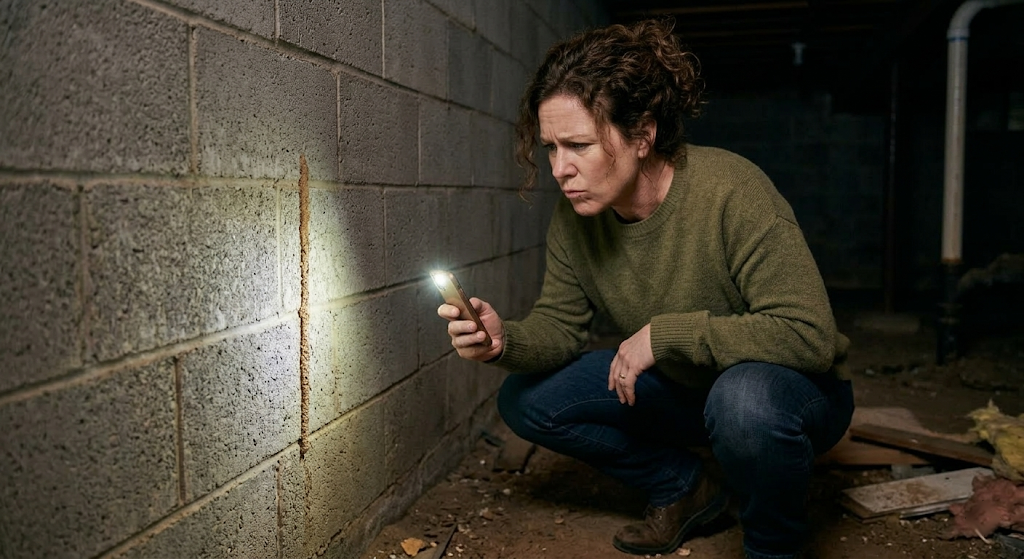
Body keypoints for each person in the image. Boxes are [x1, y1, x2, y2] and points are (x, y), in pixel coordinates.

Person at [437, 19, 854, 559]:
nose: (560, 170)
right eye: (550, 148)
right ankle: (684, 488)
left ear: (642, 135)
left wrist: (663, 336)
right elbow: (561, 329)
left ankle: (774, 546)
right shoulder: (576, 219)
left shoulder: (733, 191)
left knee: (744, 401)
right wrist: (503, 342)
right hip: (688, 389)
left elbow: (809, 337)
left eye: (579, 145)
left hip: (792, 394)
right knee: (526, 399)